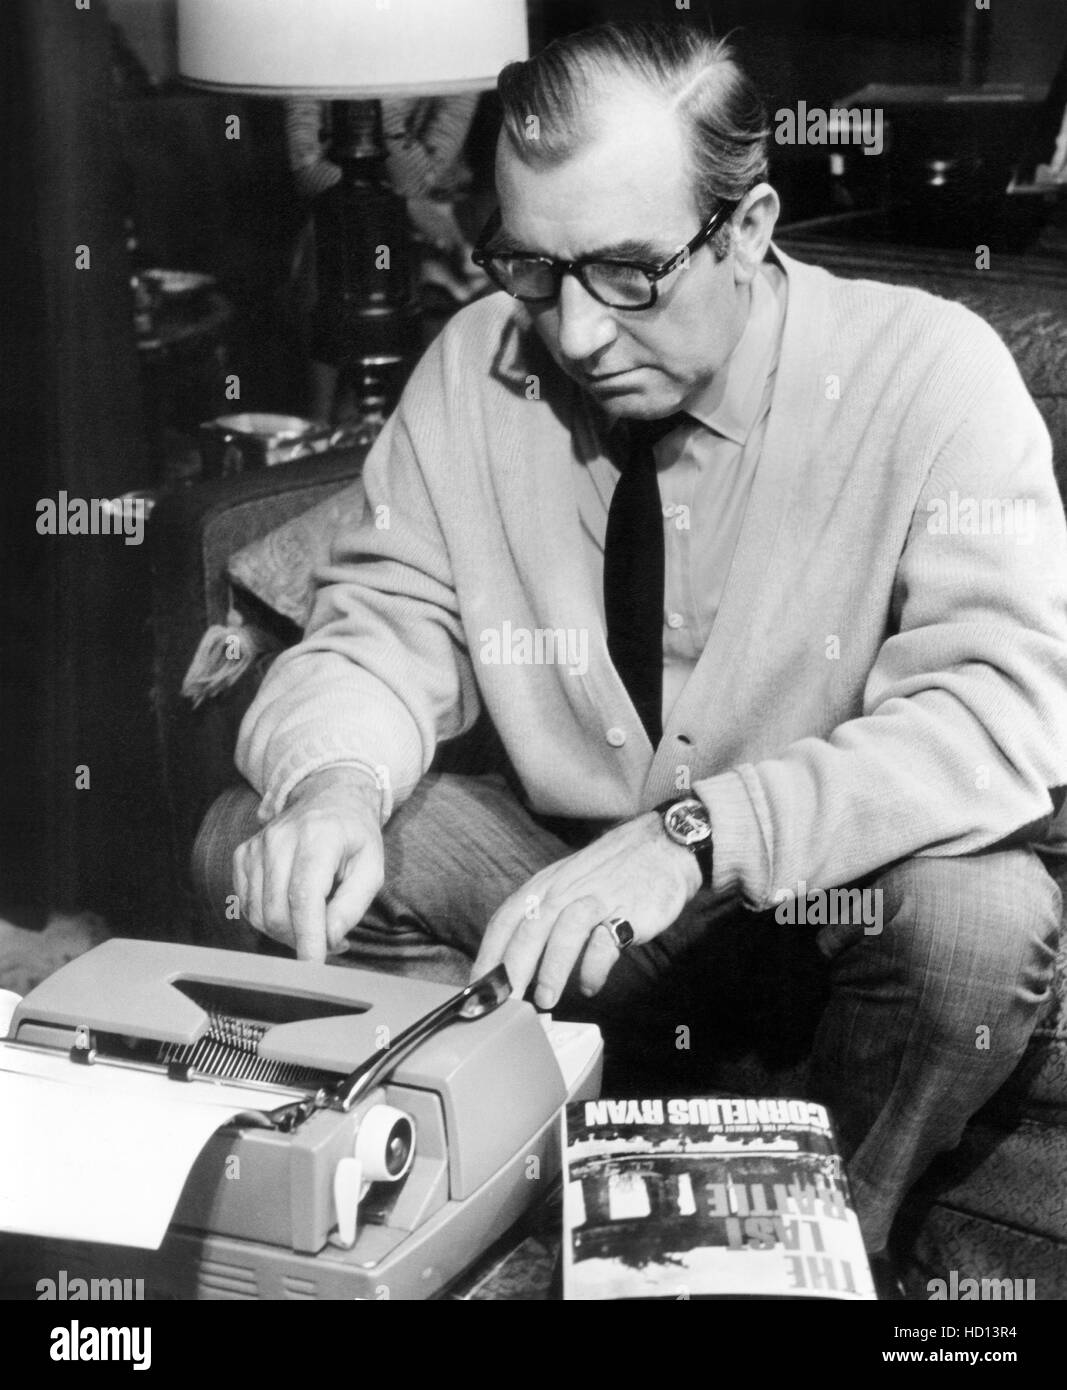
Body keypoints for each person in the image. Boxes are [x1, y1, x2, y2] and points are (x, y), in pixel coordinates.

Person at [196, 21, 1067, 1263]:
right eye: (532, 267)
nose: (578, 334)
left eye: (625, 272)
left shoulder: (929, 376)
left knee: (977, 924)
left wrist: (697, 835)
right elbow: (383, 626)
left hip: (808, 924)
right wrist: (335, 777)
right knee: (257, 838)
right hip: (561, 909)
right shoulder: (473, 367)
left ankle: (808, 1253)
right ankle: (520, 1204)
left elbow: (997, 712)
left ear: (750, 224)